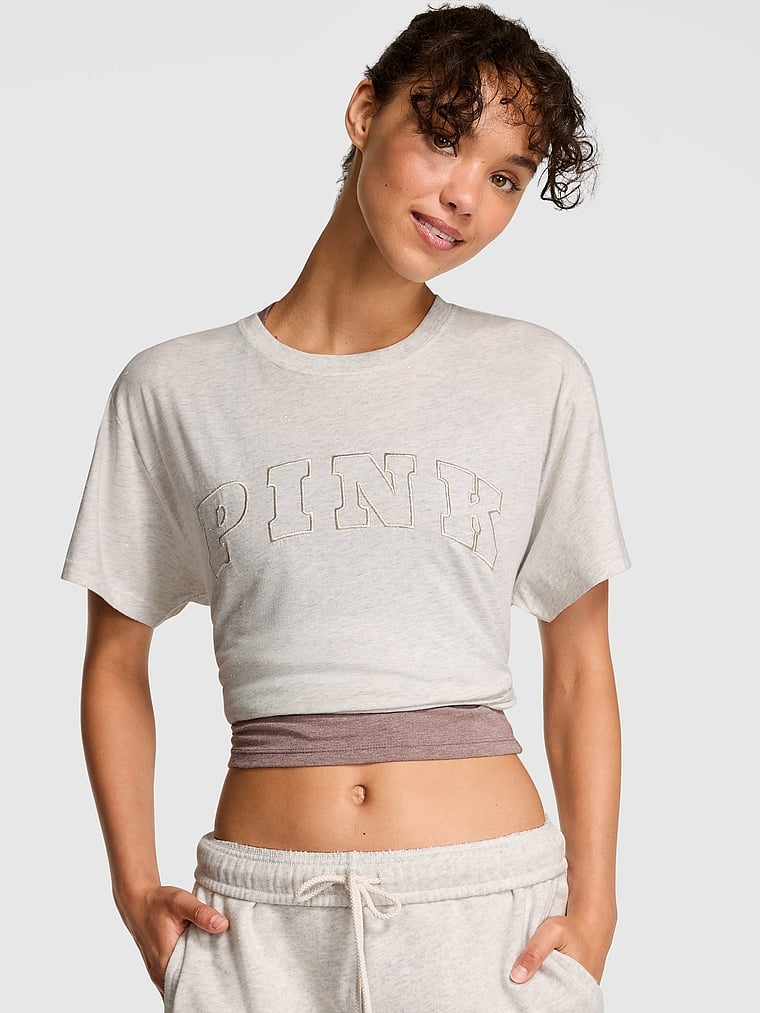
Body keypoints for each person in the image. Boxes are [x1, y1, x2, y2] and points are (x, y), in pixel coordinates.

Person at [62, 4, 630, 1010]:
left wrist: (594, 911)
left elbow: (580, 662)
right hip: (256, 928)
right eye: (443, 137)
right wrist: (133, 888)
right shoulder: (175, 389)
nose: (465, 196)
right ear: (365, 111)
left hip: (488, 920)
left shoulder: (535, 377)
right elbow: (114, 659)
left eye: (506, 177)